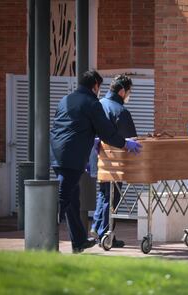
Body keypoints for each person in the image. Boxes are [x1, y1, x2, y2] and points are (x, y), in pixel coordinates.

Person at [50, 70, 142, 253]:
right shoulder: (92, 103)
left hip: (57, 155)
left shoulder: (65, 99)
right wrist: (124, 143)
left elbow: (64, 126)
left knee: (72, 200)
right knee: (62, 199)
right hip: (73, 157)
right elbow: (106, 132)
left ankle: (79, 241)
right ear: (95, 86)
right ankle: (46, 240)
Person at [90, 74, 137, 248]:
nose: (128, 95)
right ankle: (106, 233)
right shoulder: (120, 111)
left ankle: (97, 227)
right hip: (115, 162)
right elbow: (130, 139)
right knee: (112, 197)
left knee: (103, 194)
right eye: (129, 91)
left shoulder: (99, 105)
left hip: (98, 159)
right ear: (122, 91)